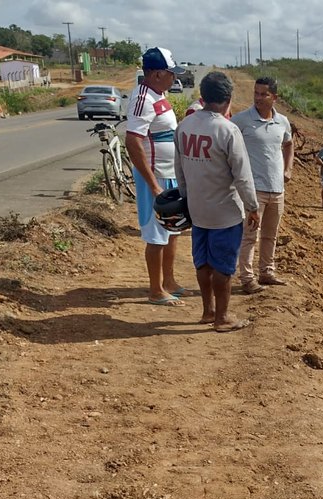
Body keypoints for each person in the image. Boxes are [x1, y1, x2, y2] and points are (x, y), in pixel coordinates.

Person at [174, 71, 260, 332]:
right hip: (225, 212)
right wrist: (253, 206)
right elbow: (242, 175)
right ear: (228, 99)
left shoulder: (184, 126)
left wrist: (187, 198)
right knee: (223, 266)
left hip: (198, 210)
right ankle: (222, 318)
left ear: (202, 96)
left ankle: (207, 311)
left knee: (203, 263)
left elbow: (180, 170)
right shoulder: (227, 130)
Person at [126, 47, 187, 306]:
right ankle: (155, 289)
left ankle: (168, 281)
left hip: (169, 173)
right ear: (157, 73)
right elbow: (132, 142)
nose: (175, 78)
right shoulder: (143, 99)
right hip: (156, 176)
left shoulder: (158, 95)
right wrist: (152, 185)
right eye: (172, 73)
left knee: (173, 229)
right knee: (156, 233)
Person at [231, 77, 293, 293]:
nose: (258, 98)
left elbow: (288, 144)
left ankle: (267, 272)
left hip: (277, 189)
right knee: (250, 235)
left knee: (270, 234)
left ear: (274, 98)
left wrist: (288, 169)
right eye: (256, 93)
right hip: (253, 190)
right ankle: (247, 279)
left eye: (263, 94)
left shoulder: (282, 122)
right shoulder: (241, 121)